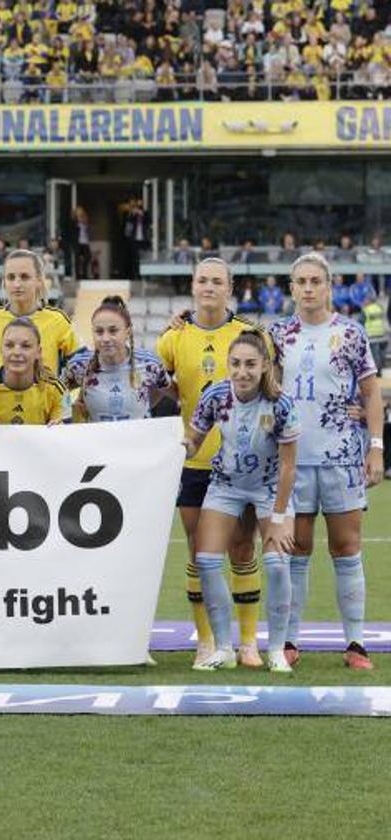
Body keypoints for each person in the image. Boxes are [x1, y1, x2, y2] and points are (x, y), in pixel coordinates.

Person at [269, 253, 385, 670]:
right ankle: (289, 641)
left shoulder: (351, 334)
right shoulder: (278, 334)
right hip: (293, 460)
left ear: (329, 285)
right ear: (292, 286)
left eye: (315, 280)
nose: (308, 288)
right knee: (295, 549)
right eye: (300, 281)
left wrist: (376, 446)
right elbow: (267, 387)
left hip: (342, 456)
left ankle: (355, 643)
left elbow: (371, 393)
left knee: (346, 547)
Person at [156, 257, 266, 668]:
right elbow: (156, 393)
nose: (208, 287)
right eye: (202, 280)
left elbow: (271, 393)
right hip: (194, 462)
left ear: (229, 287)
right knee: (199, 551)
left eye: (217, 281)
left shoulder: (250, 336)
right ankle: (205, 641)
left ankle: (249, 642)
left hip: (243, 465)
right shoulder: (173, 338)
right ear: (192, 285)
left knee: (242, 547)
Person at [182, 332, 300, 672]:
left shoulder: (281, 404)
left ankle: (276, 649)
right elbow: (195, 439)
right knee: (205, 561)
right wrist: (178, 447)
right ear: (227, 364)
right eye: (236, 363)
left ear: (264, 366)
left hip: (269, 488)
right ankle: (223, 649)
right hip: (226, 485)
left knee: (278, 562)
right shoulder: (216, 395)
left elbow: (289, 466)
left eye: (250, 364)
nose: (242, 371)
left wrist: (278, 517)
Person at [63, 296, 170, 421]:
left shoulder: (150, 364)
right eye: (99, 332)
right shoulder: (79, 365)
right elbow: (54, 392)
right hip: (95, 440)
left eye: (113, 331)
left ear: (127, 332)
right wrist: (67, 412)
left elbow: (164, 387)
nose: (106, 339)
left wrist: (144, 407)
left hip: (139, 439)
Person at [0, 249, 79, 377]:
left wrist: (64, 390)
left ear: (39, 280)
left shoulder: (57, 320)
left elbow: (82, 361)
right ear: (4, 282)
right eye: (11, 277)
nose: (17, 284)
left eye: (24, 277)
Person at [0, 318, 70, 425]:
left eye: (26, 346)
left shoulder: (55, 388)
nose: (16, 352)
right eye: (9, 345)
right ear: (1, 350)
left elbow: (66, 434)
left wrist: (61, 428)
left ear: (38, 352)